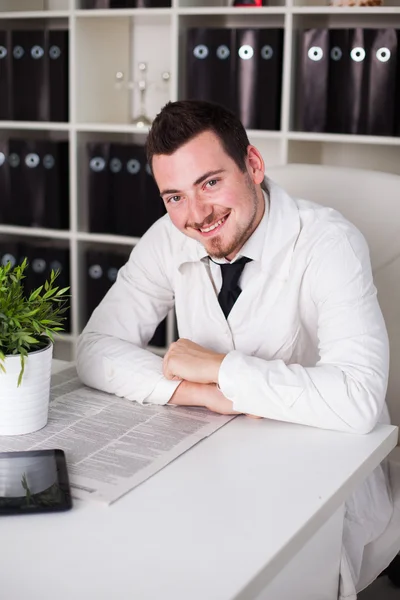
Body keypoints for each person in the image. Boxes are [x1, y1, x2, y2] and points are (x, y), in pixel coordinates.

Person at [77, 100, 397, 598]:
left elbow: (356, 400)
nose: (196, 215)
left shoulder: (329, 243)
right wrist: (202, 392)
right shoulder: (168, 237)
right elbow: (95, 348)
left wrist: (222, 369)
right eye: (174, 196)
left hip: (323, 471)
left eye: (210, 183)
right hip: (212, 452)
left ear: (253, 165)